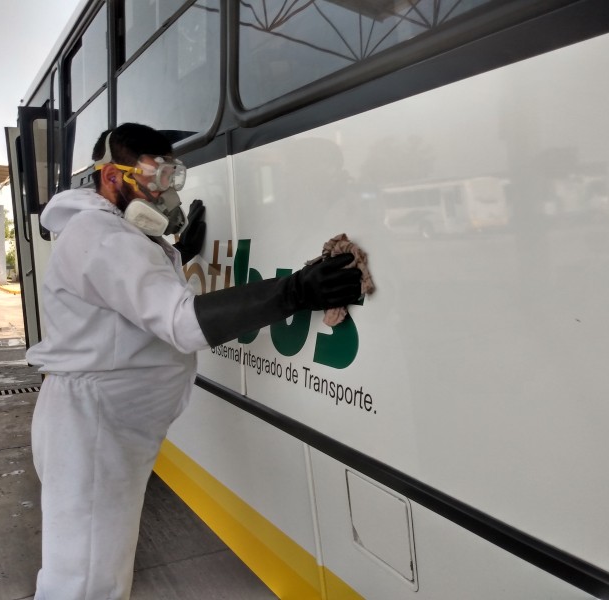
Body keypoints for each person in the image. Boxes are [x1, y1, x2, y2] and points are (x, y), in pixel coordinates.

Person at [26, 122, 363, 600]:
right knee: (84, 582)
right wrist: (295, 291)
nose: (163, 194)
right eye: (154, 179)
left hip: (103, 423)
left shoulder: (110, 232)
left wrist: (178, 252)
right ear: (111, 178)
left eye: (170, 180)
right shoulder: (101, 234)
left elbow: (127, 298)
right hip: (93, 428)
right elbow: (181, 324)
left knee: (100, 569)